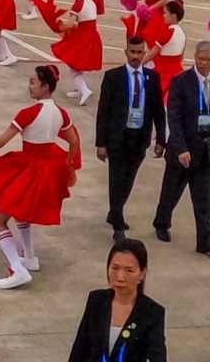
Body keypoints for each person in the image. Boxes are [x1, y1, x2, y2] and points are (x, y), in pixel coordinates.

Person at [0, 65, 82, 289]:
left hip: (28, 168)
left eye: (33, 82)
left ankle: (17, 268)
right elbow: (73, 141)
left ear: (45, 86)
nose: (29, 86)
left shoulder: (28, 113)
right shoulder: (61, 113)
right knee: (20, 212)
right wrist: (67, 164)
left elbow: (2, 141)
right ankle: (29, 257)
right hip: (46, 170)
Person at [96, 37, 166, 241]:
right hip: (118, 138)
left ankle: (114, 212)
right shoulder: (113, 77)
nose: (136, 56)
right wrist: (101, 143)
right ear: (126, 52)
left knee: (128, 180)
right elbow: (103, 111)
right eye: (132, 52)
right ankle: (118, 224)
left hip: (139, 137)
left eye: (139, 52)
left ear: (145, 53)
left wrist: (161, 139)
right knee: (116, 180)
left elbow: (158, 111)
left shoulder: (152, 78)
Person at [151, 40, 210, 254]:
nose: (203, 64)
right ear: (194, 57)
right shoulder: (181, 82)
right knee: (171, 192)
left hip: (205, 151)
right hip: (182, 150)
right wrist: (181, 147)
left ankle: (205, 242)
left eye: (208, 60)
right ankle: (161, 223)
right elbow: (173, 118)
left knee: (204, 199)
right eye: (201, 59)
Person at [68, 238, 166, 362]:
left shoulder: (152, 312)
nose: (120, 277)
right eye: (115, 268)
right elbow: (80, 349)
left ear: (142, 273)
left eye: (129, 270)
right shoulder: (96, 301)